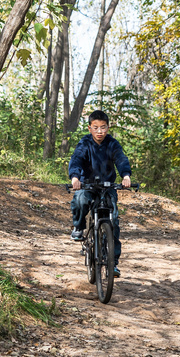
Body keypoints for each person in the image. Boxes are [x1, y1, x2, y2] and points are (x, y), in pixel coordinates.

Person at [68, 109, 132, 277]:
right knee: (80, 200)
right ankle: (79, 226)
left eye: (103, 127)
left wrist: (126, 176)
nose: (99, 131)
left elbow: (121, 158)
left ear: (108, 128)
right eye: (95, 127)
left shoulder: (112, 143)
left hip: (108, 186)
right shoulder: (85, 143)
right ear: (89, 128)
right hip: (87, 185)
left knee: (114, 222)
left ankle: (113, 263)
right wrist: (75, 178)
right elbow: (76, 159)